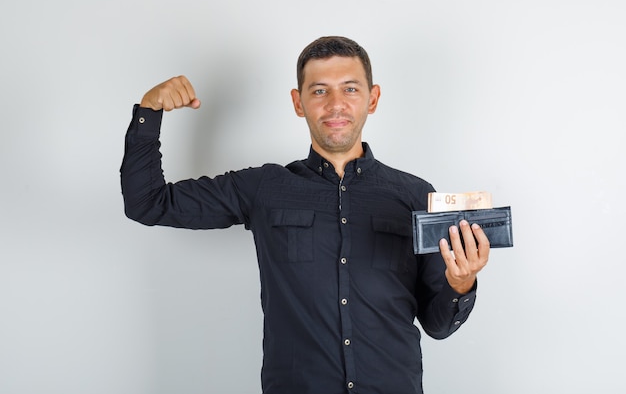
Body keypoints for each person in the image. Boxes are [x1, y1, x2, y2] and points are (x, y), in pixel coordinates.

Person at [120, 36, 490, 394]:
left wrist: (461, 283)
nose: (335, 104)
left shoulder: (415, 195)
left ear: (372, 98)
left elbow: (438, 325)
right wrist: (149, 113)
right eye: (319, 91)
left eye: (349, 89)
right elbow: (148, 202)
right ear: (298, 103)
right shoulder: (265, 187)